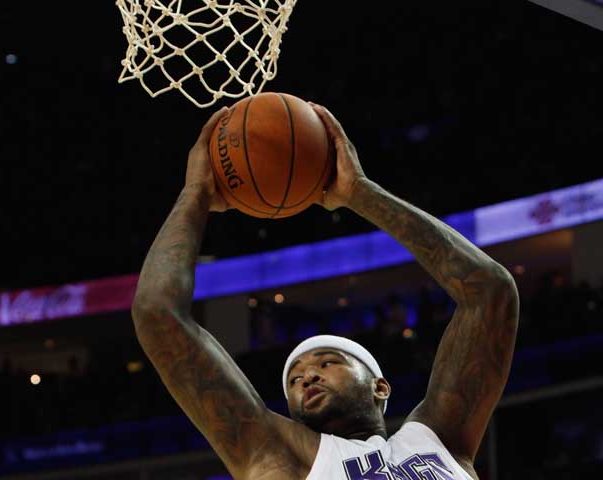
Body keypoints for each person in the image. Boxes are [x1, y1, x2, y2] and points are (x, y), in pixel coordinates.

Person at [132, 104, 519, 480]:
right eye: (294, 379)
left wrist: (360, 192)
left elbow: (490, 292)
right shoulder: (279, 455)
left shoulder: (439, 440)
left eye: (328, 363)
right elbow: (157, 312)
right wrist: (195, 195)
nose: (307, 377)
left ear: (380, 387)